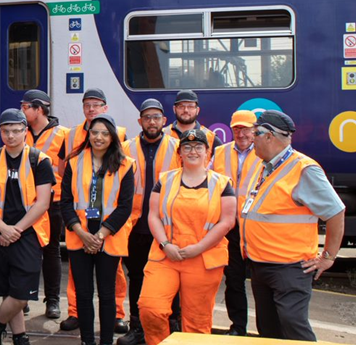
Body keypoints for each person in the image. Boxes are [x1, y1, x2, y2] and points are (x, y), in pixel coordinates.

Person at [241, 110, 345, 341]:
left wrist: (328, 256)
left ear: (269, 136)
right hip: (261, 265)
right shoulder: (265, 165)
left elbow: (336, 212)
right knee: (268, 329)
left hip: (289, 268)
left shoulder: (304, 169)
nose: (251, 138)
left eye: (255, 133)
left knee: (293, 327)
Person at [139, 129, 237, 345]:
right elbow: (153, 215)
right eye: (187, 147)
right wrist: (165, 244)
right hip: (166, 256)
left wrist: (199, 247)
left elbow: (227, 221)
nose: (193, 151)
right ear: (180, 153)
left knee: (197, 322)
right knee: (150, 309)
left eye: (198, 147)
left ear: (207, 152)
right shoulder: (165, 180)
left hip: (203, 259)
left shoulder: (222, 183)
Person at [0, 109, 54, 345]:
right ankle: (20, 336)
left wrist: (15, 230)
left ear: (25, 132)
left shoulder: (40, 160)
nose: (11, 136)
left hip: (27, 233)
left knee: (21, 294)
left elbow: (43, 203)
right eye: (6, 131)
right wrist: (2, 227)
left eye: (16, 131)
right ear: (0, 132)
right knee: (9, 290)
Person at [61, 114, 135, 345]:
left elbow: (125, 206)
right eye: (94, 133)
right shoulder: (74, 161)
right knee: (83, 294)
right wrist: (82, 234)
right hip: (79, 237)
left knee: (106, 294)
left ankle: (105, 342)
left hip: (109, 239)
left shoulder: (125, 165)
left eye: (104, 133)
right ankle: (87, 341)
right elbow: (65, 202)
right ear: (88, 135)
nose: (99, 137)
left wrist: (100, 236)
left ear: (112, 136)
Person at [117, 99, 182, 345]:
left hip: (167, 228)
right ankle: (138, 328)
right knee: (136, 276)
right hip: (134, 227)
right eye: (147, 117)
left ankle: (172, 326)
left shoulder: (178, 148)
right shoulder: (125, 148)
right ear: (140, 121)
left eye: (156, 117)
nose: (152, 122)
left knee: (171, 279)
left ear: (164, 121)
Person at [209, 110, 261, 336]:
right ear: (232, 130)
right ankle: (238, 327)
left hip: (257, 227)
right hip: (230, 227)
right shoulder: (219, 153)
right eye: (237, 129)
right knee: (234, 280)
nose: (242, 133)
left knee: (262, 283)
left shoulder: (264, 152)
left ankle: (267, 329)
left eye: (246, 128)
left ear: (255, 130)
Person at [21, 89, 68, 320]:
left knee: (50, 252)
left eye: (26, 107)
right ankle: (24, 297)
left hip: (53, 202)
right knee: (26, 252)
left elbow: (67, 172)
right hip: (24, 202)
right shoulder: (20, 131)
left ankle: (52, 300)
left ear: (39, 109)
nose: (22, 110)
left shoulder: (64, 135)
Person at [162, 90, 222, 154]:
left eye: (190, 107)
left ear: (197, 110)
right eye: (181, 106)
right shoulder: (162, 134)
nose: (186, 110)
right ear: (174, 109)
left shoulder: (211, 138)